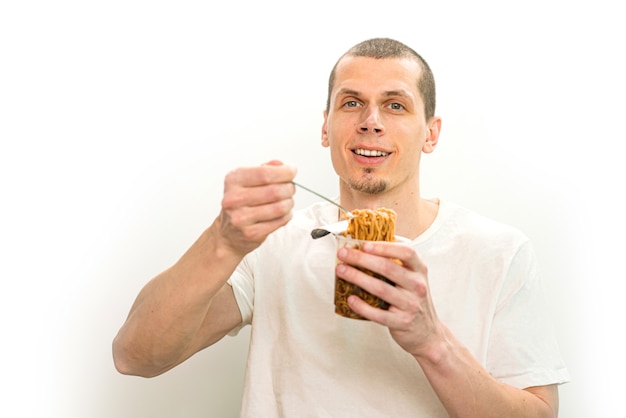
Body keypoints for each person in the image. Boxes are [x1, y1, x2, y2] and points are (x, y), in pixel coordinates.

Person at [113, 37, 570, 417]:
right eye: (352, 103)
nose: (371, 123)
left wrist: (431, 341)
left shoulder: (498, 251)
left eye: (395, 105)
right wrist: (223, 240)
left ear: (430, 133)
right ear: (326, 127)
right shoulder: (272, 245)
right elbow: (135, 356)